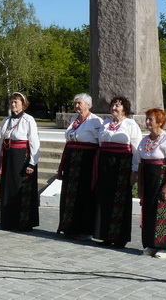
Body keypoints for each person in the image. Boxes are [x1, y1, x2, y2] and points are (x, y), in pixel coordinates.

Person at [94, 96, 142, 248]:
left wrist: (135, 170)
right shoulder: (106, 123)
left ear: (125, 108)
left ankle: (119, 237)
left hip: (122, 165)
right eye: (113, 105)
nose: (115, 108)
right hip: (106, 164)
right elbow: (100, 143)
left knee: (120, 200)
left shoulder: (130, 124)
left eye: (118, 106)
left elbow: (136, 149)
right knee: (105, 198)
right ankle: (105, 235)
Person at [133, 108, 166, 259]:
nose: (147, 122)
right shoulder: (145, 140)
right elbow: (140, 164)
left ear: (160, 122)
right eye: (146, 119)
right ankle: (150, 244)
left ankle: (163, 247)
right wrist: (140, 186)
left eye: (150, 119)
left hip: (162, 179)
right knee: (149, 211)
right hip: (148, 180)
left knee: (162, 212)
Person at [56, 93, 103, 239]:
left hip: (86, 162)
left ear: (88, 105)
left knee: (84, 194)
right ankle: (69, 227)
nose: (77, 106)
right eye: (75, 103)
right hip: (72, 161)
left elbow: (100, 142)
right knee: (70, 194)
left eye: (80, 103)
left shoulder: (96, 121)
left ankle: (84, 230)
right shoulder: (73, 120)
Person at [0, 92, 40, 231]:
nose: (13, 105)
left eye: (16, 102)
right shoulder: (6, 121)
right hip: (8, 157)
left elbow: (34, 142)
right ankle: (8, 221)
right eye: (12, 102)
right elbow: (1, 142)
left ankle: (23, 222)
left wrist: (32, 162)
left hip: (22, 157)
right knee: (7, 188)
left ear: (23, 104)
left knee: (21, 188)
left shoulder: (28, 120)